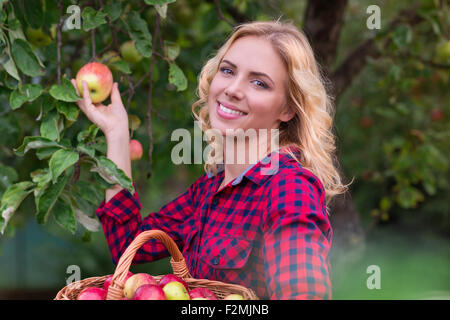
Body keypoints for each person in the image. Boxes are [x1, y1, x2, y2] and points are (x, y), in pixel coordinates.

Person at [71, 20, 350, 300]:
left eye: (259, 83)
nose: (233, 89)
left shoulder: (289, 187)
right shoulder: (210, 189)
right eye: (228, 71)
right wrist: (117, 134)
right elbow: (127, 244)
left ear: (288, 108)